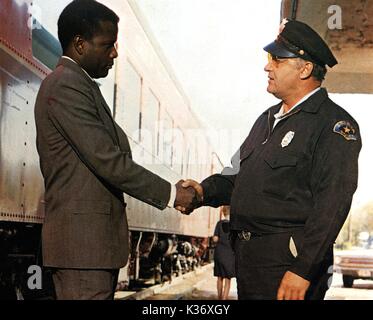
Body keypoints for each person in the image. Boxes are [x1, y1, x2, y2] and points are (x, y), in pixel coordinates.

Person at [178, 19, 362, 300]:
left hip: (288, 265)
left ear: (305, 68)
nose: (267, 67)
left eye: (277, 60)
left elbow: (332, 204)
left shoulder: (333, 125)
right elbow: (236, 175)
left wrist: (303, 270)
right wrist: (203, 191)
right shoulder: (266, 120)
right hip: (251, 261)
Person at [34, 0, 197, 300]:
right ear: (80, 44)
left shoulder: (81, 86)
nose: (115, 53)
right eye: (108, 44)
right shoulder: (66, 86)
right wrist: (173, 195)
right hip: (83, 250)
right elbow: (108, 160)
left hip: (91, 250)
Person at [213, 206, 235, 300]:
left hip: (219, 253)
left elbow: (215, 239)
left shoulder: (219, 223)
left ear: (223, 213)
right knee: (228, 279)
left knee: (219, 278)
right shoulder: (234, 225)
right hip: (230, 254)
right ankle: (224, 299)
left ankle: (219, 297)